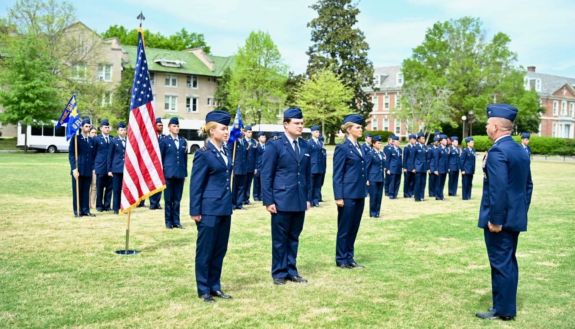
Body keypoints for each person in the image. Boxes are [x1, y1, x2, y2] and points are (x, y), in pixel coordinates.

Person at [476, 104, 533, 321]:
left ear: (497, 127)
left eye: (489, 124)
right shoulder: (519, 149)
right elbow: (528, 186)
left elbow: (498, 189)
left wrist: (497, 219)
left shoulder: (498, 151)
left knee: (500, 263)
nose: (486, 127)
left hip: (499, 220)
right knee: (508, 262)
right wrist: (519, 211)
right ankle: (505, 306)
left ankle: (503, 310)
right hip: (514, 217)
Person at [261, 107, 311, 285]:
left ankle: (292, 270)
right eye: (296, 123)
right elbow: (266, 174)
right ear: (286, 124)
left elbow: (306, 174)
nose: (300, 126)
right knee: (280, 239)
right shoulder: (274, 145)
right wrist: (268, 200)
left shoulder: (304, 145)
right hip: (281, 199)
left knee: (294, 237)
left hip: (298, 199)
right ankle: (279, 273)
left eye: (302, 123)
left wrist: (308, 197)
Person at [189, 110, 234, 303]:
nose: (227, 132)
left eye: (227, 128)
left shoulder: (225, 150)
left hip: (224, 207)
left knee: (219, 249)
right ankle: (203, 289)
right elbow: (196, 184)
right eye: (223, 129)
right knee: (206, 250)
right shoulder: (203, 153)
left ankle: (215, 286)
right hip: (208, 209)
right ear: (211, 130)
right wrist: (195, 210)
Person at [333, 114, 367, 269]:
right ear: (348, 129)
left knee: (354, 227)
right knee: (345, 227)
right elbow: (337, 174)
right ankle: (341, 258)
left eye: (361, 127)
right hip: (347, 194)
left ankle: (350, 257)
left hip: (359, 193)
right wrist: (339, 196)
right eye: (358, 127)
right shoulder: (342, 148)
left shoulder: (360, 147)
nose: (361, 129)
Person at [160, 117, 188, 229]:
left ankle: (176, 221)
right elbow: (160, 158)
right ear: (169, 127)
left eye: (177, 126)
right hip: (168, 174)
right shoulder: (164, 141)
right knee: (168, 200)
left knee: (177, 200)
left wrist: (185, 173)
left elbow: (185, 159)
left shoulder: (183, 141)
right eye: (174, 126)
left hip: (180, 174)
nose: (176, 128)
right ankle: (168, 222)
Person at [69, 118, 95, 217]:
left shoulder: (91, 140)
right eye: (86, 126)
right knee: (77, 191)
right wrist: (74, 168)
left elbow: (92, 155)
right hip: (78, 169)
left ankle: (85, 210)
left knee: (85, 191)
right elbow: (71, 155)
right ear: (81, 127)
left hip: (88, 170)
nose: (88, 128)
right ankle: (77, 211)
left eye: (89, 126)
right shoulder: (76, 139)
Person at [93, 119, 113, 212]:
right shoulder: (96, 139)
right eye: (105, 127)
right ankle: (99, 205)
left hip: (110, 168)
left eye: (108, 127)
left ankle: (107, 205)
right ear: (101, 128)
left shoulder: (112, 139)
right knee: (100, 188)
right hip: (100, 167)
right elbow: (93, 153)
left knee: (109, 188)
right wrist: (94, 167)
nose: (107, 129)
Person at [107, 122, 127, 214]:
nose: (123, 131)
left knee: (125, 190)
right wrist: (109, 169)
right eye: (121, 130)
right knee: (116, 189)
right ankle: (116, 208)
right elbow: (109, 156)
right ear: (118, 131)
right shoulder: (114, 141)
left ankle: (124, 207)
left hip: (126, 169)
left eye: (124, 129)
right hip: (116, 168)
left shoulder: (128, 141)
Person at [366, 135, 385, 217]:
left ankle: (377, 212)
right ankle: (372, 212)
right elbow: (367, 167)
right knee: (373, 196)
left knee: (379, 196)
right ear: (373, 144)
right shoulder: (370, 153)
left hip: (380, 177)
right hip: (372, 178)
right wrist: (366, 179)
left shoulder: (381, 153)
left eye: (380, 143)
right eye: (378, 143)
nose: (380, 145)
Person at [149, 117, 164, 210]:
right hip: (152, 163)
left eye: (162, 125)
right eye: (159, 125)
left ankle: (157, 202)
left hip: (161, 164)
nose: (161, 127)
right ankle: (152, 203)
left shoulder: (164, 137)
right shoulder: (151, 137)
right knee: (152, 184)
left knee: (160, 184)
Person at [308, 125, 325, 207]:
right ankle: (310, 201)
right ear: (312, 132)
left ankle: (316, 200)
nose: (318, 133)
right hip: (312, 167)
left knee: (318, 185)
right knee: (311, 185)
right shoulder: (309, 143)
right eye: (316, 132)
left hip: (320, 167)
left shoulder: (320, 143)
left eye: (318, 132)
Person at [231, 129, 248, 209]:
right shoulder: (233, 142)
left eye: (243, 131)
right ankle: (233, 204)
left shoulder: (245, 142)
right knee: (234, 187)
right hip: (236, 168)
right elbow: (230, 154)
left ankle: (239, 204)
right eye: (241, 131)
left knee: (241, 187)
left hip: (243, 169)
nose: (242, 133)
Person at [243, 125, 257, 206]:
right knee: (243, 184)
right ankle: (241, 199)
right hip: (244, 167)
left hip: (251, 167)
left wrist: (255, 167)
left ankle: (246, 199)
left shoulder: (254, 142)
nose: (250, 134)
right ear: (244, 132)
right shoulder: (242, 141)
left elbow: (256, 156)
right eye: (248, 132)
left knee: (249, 184)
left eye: (251, 132)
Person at [431, 134, 448, 200]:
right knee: (438, 183)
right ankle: (438, 196)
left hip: (444, 169)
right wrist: (435, 169)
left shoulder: (446, 149)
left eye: (446, 140)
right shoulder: (438, 149)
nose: (446, 141)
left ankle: (441, 195)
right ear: (440, 141)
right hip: (439, 169)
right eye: (444, 140)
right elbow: (436, 160)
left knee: (442, 183)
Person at [386, 135, 402, 199]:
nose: (398, 142)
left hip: (399, 168)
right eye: (397, 141)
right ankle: (391, 194)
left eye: (399, 141)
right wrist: (388, 169)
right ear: (393, 142)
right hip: (392, 168)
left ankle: (395, 194)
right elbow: (387, 160)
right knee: (392, 182)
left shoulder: (400, 149)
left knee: (398, 182)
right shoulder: (390, 149)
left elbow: (400, 159)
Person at [413, 133, 428, 202]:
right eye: (422, 138)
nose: (424, 139)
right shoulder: (415, 147)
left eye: (424, 138)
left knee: (423, 183)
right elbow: (412, 158)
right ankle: (417, 197)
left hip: (424, 168)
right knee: (418, 183)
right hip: (418, 167)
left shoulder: (425, 147)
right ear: (418, 139)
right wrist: (413, 167)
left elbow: (426, 158)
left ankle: (422, 196)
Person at [252, 133, 267, 202]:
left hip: (264, 166)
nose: (264, 138)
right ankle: (255, 196)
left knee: (263, 182)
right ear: (258, 138)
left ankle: (262, 196)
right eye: (262, 137)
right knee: (256, 182)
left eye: (264, 137)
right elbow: (254, 157)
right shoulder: (256, 146)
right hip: (257, 166)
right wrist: (255, 167)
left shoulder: (267, 146)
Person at [88, 126, 98, 210]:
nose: (94, 134)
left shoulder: (97, 142)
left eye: (95, 133)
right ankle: (86, 203)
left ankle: (92, 203)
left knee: (94, 186)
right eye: (92, 133)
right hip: (86, 167)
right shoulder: (86, 141)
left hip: (95, 167)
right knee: (87, 186)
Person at [318, 135, 327, 202]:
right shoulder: (319, 150)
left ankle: (319, 197)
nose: (322, 143)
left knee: (321, 183)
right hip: (318, 168)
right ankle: (317, 198)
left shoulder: (324, 150)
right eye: (321, 141)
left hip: (323, 168)